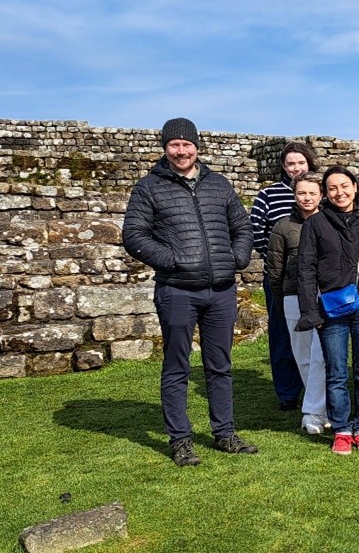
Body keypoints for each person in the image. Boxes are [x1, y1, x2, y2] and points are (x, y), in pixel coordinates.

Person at [122, 117, 256, 466]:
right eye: (174, 145)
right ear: (165, 148)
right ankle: (181, 440)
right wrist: (174, 260)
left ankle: (224, 434)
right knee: (177, 367)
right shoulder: (149, 187)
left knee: (220, 366)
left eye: (186, 144)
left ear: (197, 146)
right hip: (178, 290)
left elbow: (241, 225)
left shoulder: (219, 184)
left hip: (222, 290)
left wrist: (238, 257)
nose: (181, 151)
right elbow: (134, 235)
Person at [296, 166, 359, 455]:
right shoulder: (316, 224)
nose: (339, 192)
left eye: (344, 186)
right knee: (336, 372)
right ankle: (341, 428)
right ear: (326, 193)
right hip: (332, 309)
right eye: (332, 188)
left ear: (355, 187)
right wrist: (310, 313)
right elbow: (306, 270)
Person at [250, 141, 317, 411]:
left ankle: (317, 388)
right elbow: (255, 232)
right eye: (291, 164)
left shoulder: (319, 192)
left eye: (301, 163)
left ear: (310, 163)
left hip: (317, 279)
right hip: (280, 277)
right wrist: (276, 258)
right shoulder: (268, 195)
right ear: (283, 167)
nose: (296, 168)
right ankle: (288, 392)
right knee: (282, 334)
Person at [265, 172, 328, 435]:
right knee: (302, 355)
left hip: (324, 296)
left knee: (322, 356)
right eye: (302, 193)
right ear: (294, 194)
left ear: (321, 195)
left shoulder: (329, 222)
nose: (307, 198)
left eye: (313, 192)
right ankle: (319, 410)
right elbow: (275, 270)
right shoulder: (282, 227)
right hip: (293, 296)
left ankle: (314, 411)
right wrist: (283, 297)